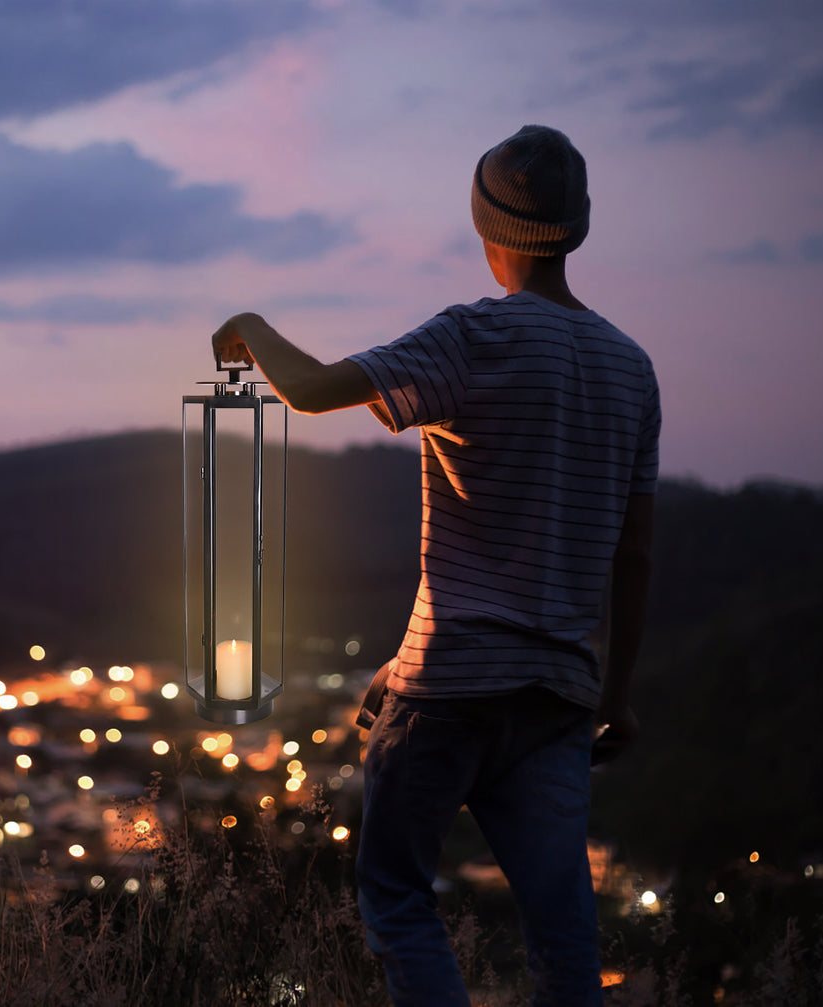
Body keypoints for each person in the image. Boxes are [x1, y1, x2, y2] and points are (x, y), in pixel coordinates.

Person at [210, 124, 659, 1006]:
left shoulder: (469, 338)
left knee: (396, 896)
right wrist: (614, 694)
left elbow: (306, 391)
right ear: (583, 223)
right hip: (556, 694)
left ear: (483, 224)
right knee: (562, 933)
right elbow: (632, 551)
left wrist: (250, 325)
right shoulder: (630, 369)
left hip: (451, 681)